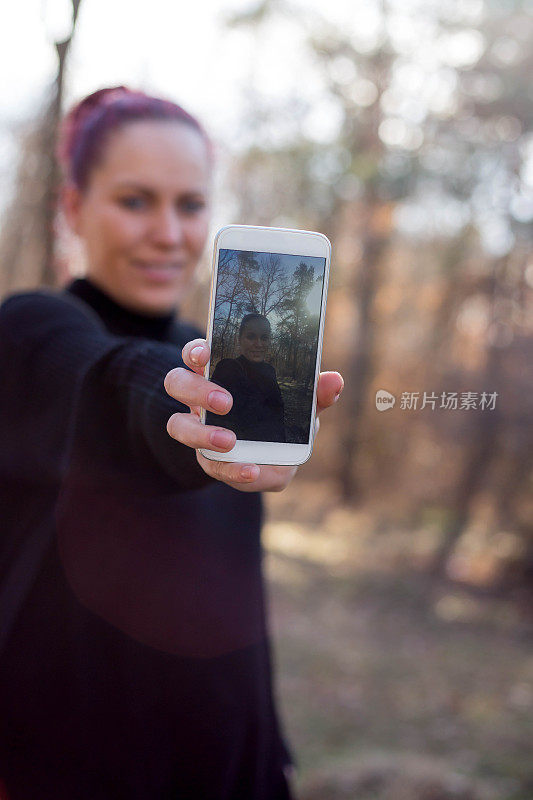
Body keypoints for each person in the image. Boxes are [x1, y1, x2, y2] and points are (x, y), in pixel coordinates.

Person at [0, 86, 343, 800]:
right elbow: (110, 383)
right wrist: (183, 403)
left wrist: (267, 759)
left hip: (234, 767)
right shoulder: (30, 331)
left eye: (189, 205)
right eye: (135, 201)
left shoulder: (219, 355)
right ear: (72, 208)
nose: (168, 232)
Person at [208, 313, 286, 442]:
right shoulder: (228, 368)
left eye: (264, 338)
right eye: (251, 337)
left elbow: (278, 416)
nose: (258, 344)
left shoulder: (270, 371)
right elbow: (219, 420)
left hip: (272, 451)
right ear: (239, 339)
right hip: (235, 451)